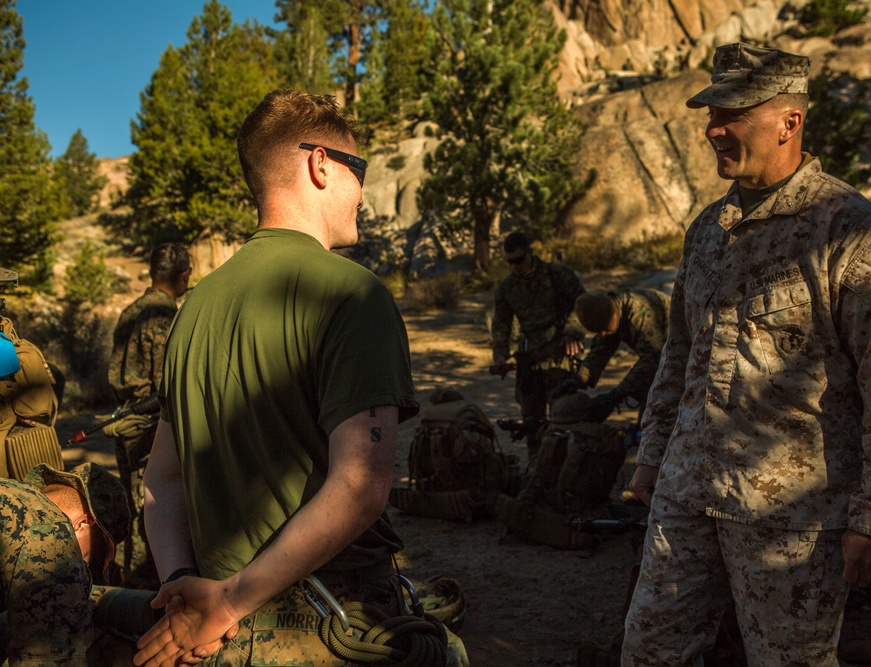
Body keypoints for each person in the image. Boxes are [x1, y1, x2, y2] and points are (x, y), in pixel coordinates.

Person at [621, 43, 871, 666]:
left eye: (733, 113)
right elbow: (679, 355)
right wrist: (652, 456)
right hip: (687, 492)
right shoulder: (708, 228)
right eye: (711, 113)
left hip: (792, 515)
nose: (714, 128)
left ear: (789, 122)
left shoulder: (847, 229)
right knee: (650, 651)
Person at [133, 89, 419, 667]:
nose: (361, 192)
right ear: (320, 165)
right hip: (327, 623)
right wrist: (226, 604)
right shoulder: (354, 295)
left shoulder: (194, 308)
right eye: (357, 170)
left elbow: (159, 482)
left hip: (216, 636)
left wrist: (187, 587)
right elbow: (361, 487)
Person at [107, 242, 191, 588]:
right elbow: (167, 385)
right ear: (183, 275)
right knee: (154, 510)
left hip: (125, 422)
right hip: (151, 428)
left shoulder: (130, 311)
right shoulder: (166, 318)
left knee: (130, 506)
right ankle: (145, 589)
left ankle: (129, 580)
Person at [0, 462, 129, 666]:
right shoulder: (51, 538)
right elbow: (48, 659)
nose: (83, 564)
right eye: (90, 559)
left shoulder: (9, 494)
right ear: (83, 523)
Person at [490, 231, 585, 456]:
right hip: (529, 358)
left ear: (530, 253)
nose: (515, 266)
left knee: (564, 416)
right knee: (532, 421)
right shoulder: (506, 288)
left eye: (519, 260)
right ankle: (537, 467)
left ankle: (566, 468)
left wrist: (572, 331)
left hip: (559, 354)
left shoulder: (558, 275)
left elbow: (582, 304)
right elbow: (501, 324)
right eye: (510, 262)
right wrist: (500, 354)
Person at [566, 288, 670, 423]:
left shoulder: (639, 315)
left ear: (614, 316)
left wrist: (616, 395)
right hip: (668, 356)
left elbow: (652, 360)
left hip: (689, 353)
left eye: (605, 329)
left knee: (652, 416)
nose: (603, 334)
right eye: (599, 331)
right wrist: (579, 378)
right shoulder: (609, 311)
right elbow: (600, 352)